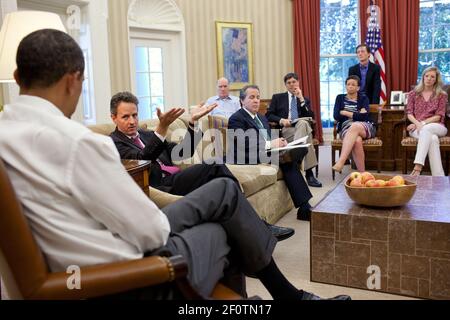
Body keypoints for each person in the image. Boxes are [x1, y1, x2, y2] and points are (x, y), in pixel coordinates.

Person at [0, 29, 352, 301]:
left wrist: (187, 125)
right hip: (135, 273)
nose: (132, 120)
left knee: (223, 189)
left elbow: (174, 156)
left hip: (93, 258)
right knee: (221, 229)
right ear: (73, 79)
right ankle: (285, 293)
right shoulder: (80, 144)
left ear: (17, 77)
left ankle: (278, 287)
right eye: (125, 116)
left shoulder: (8, 136)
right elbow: (150, 232)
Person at [109, 91, 294, 241]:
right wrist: (162, 128)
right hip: (160, 187)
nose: (132, 121)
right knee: (213, 164)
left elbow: (183, 152)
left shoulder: (146, 134)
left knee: (222, 178)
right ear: (113, 118)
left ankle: (253, 227)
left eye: (134, 115)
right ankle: (259, 226)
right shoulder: (113, 143)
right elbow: (143, 160)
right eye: (125, 117)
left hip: (175, 177)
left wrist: (193, 123)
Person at [227, 85, 314, 222]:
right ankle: (304, 207)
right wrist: (271, 144)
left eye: (258, 97)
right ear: (242, 101)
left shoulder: (261, 118)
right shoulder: (236, 118)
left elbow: (267, 139)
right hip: (247, 156)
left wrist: (279, 142)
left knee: (297, 151)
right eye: (251, 97)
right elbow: (244, 144)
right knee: (286, 161)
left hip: (265, 152)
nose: (256, 100)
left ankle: (304, 206)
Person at [266, 72, 322, 188]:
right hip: (286, 130)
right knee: (307, 133)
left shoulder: (303, 99)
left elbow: (310, 116)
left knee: (303, 123)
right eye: (289, 83)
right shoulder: (278, 97)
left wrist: (301, 98)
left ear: (298, 82)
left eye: (294, 82)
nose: (292, 85)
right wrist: (281, 120)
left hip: (300, 129)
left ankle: (296, 158)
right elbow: (269, 115)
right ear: (285, 85)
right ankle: (309, 173)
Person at [406, 66, 448, 176]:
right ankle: (439, 177)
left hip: (437, 126)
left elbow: (439, 116)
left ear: (436, 79)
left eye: (432, 77)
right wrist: (416, 124)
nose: (429, 78)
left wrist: (422, 124)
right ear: (423, 77)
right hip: (417, 127)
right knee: (432, 139)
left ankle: (418, 166)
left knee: (427, 129)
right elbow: (409, 113)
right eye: (427, 76)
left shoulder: (442, 95)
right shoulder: (413, 94)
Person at [332, 75, 376, 173]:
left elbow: (363, 117)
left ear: (358, 87)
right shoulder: (339, 98)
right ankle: (362, 174)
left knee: (355, 125)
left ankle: (341, 161)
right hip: (346, 128)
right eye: (348, 84)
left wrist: (345, 112)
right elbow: (336, 116)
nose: (350, 86)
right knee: (357, 141)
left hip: (365, 126)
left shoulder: (363, 98)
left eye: (353, 84)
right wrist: (357, 114)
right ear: (346, 86)